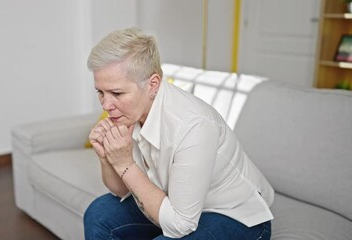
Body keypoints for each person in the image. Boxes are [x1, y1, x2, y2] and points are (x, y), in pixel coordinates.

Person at [84, 27, 274, 240]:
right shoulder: (131, 114)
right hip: (176, 205)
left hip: (234, 216)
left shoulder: (193, 126)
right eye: (100, 92)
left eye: (117, 93)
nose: (106, 105)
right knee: (98, 213)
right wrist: (106, 157)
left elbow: (180, 225)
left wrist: (124, 163)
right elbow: (123, 191)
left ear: (153, 84)